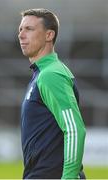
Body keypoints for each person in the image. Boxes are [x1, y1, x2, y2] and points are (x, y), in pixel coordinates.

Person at [18, 8, 86, 179]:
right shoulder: (41, 74)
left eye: (29, 29)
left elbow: (74, 129)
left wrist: (69, 177)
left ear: (49, 35)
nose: (21, 35)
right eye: (20, 29)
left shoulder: (51, 75)